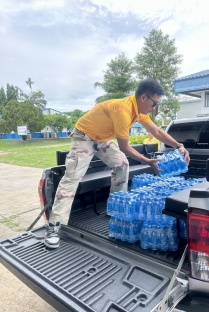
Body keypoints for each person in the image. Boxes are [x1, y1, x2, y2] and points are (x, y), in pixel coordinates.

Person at [44, 78, 190, 248]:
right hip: (84, 135)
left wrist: (179, 146)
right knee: (72, 177)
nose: (154, 108)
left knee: (122, 164)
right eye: (154, 103)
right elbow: (125, 147)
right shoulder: (123, 110)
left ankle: (117, 207)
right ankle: (54, 226)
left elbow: (156, 131)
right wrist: (147, 161)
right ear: (144, 97)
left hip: (102, 138)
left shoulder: (139, 110)